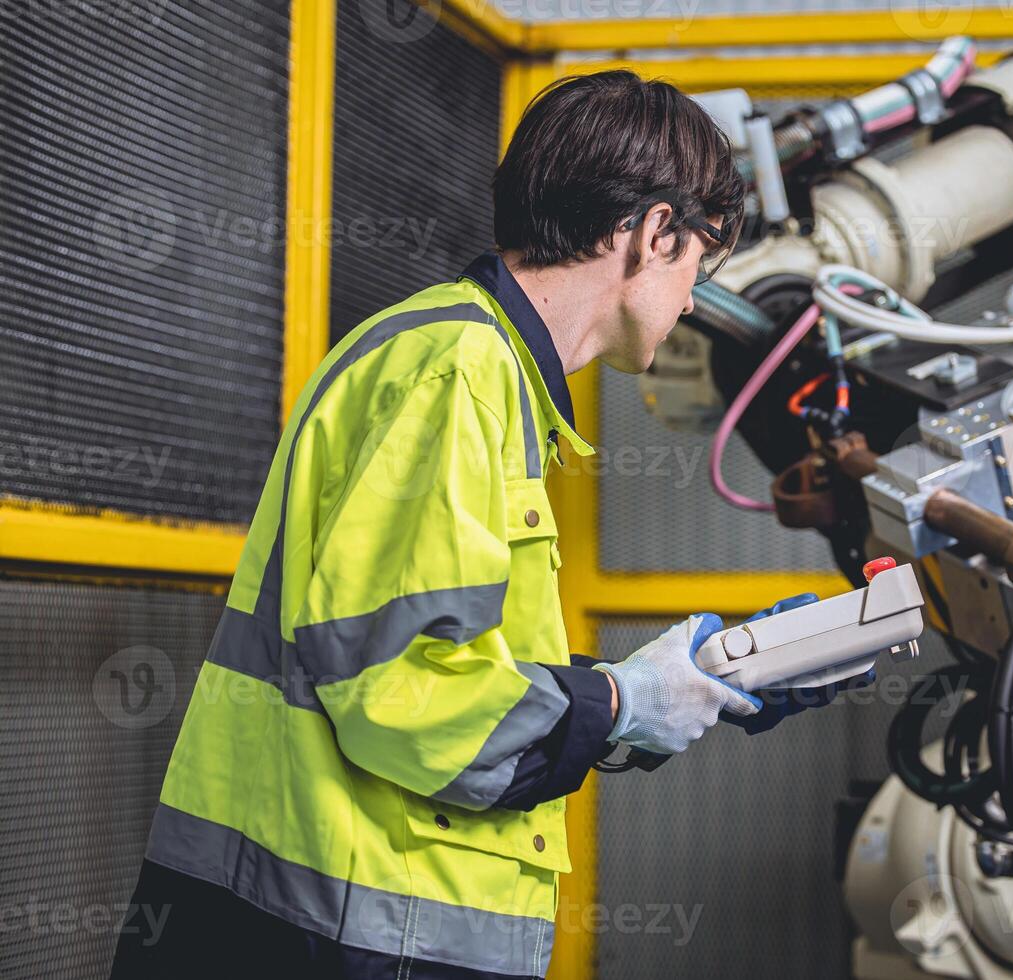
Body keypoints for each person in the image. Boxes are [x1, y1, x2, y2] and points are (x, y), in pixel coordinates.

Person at [110, 70, 845, 980]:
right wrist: (621, 701)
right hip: (345, 935)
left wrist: (674, 689)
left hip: (354, 924)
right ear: (654, 231)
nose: (695, 297)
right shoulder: (457, 371)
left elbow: (444, 667)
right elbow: (401, 691)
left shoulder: (477, 370)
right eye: (699, 260)